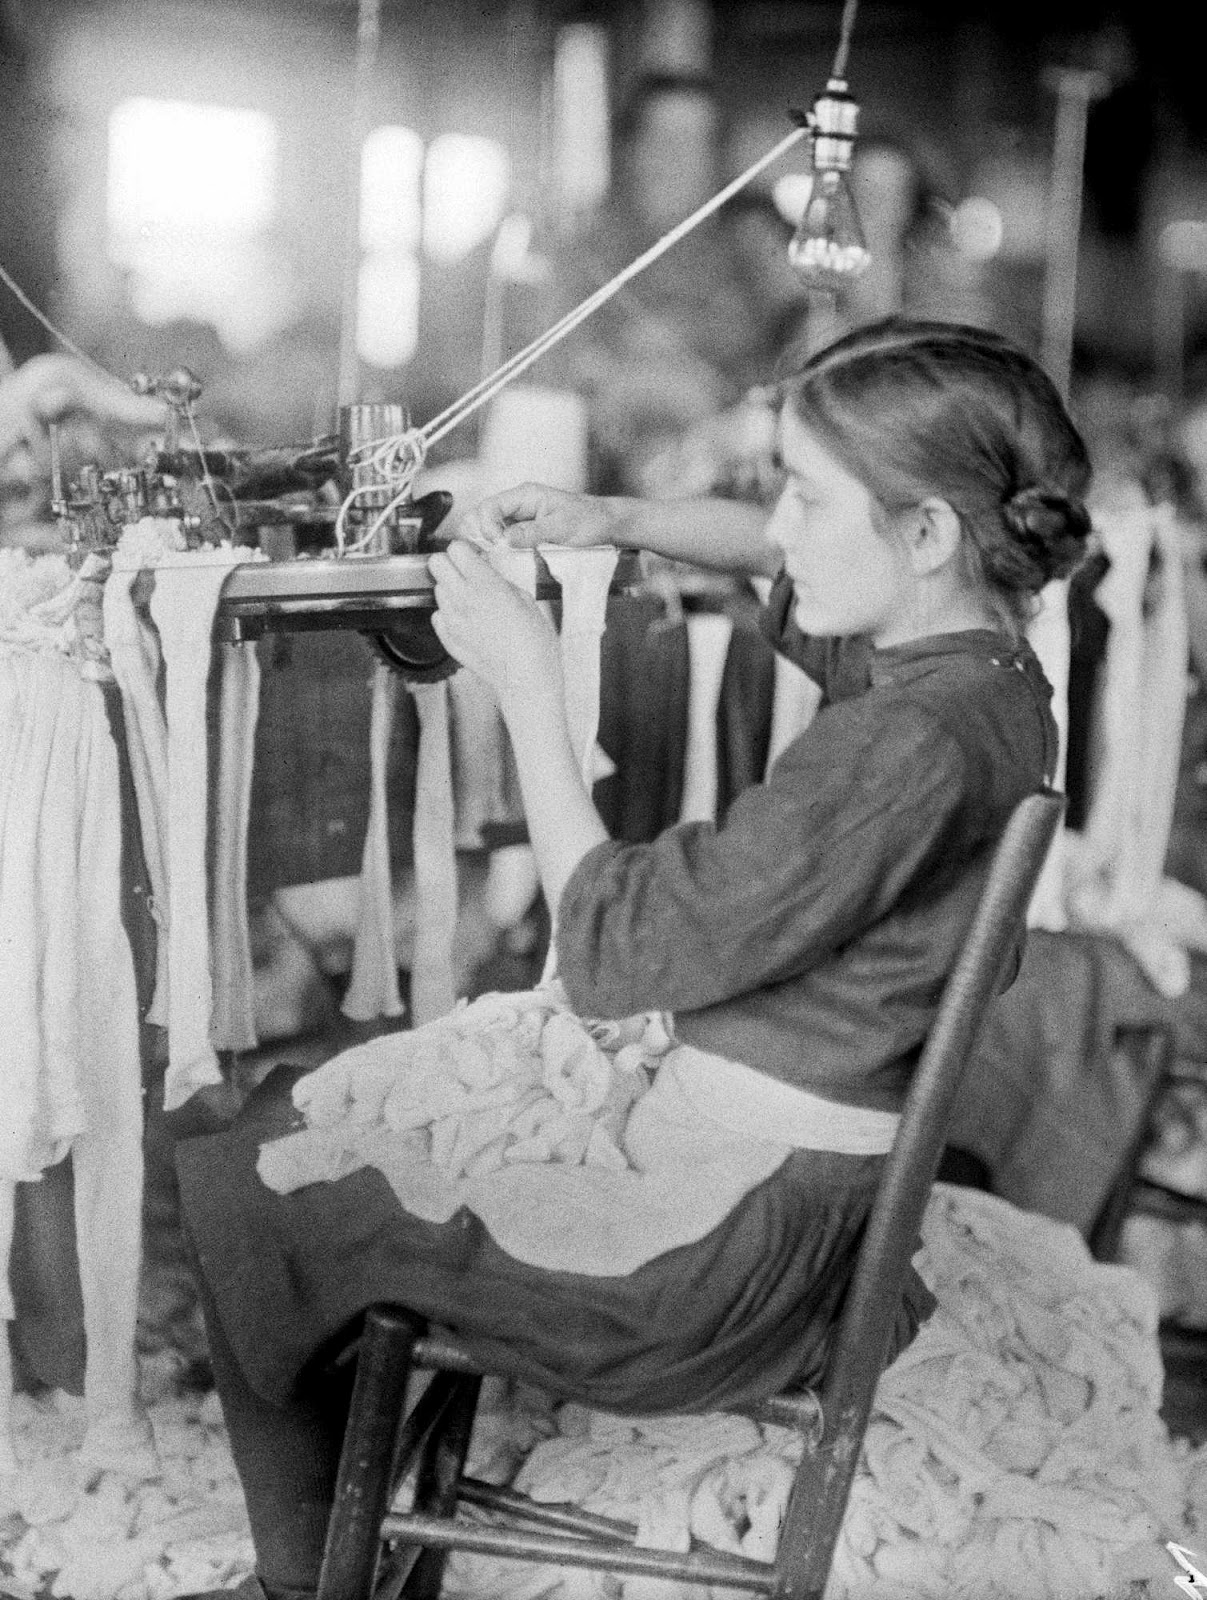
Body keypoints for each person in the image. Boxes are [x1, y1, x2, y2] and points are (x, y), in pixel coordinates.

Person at [173, 317, 1092, 1600]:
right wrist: (613, 517)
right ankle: (350, 1479)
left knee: (251, 1172)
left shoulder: (899, 750)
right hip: (796, 1190)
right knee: (335, 1120)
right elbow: (774, 560)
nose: (774, 527)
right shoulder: (982, 679)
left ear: (928, 532)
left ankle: (306, 1579)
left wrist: (526, 683)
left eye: (803, 495)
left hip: (713, 1253)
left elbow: (609, 946)